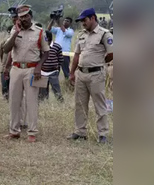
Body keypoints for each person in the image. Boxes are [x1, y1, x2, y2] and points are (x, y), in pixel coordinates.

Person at [3, 5, 50, 142]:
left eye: (26, 16)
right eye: (21, 16)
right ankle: (14, 131)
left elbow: (46, 52)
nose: (23, 19)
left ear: (31, 16)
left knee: (31, 102)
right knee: (14, 101)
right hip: (16, 68)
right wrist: (16, 33)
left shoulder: (39, 32)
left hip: (31, 69)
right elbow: (6, 49)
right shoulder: (14, 30)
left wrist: (38, 67)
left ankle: (32, 132)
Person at [67, 8, 113, 144]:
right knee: (80, 104)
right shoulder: (81, 35)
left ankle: (103, 134)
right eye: (81, 21)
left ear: (93, 18)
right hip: (81, 74)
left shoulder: (105, 34)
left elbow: (113, 52)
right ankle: (80, 131)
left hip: (96, 75)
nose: (83, 23)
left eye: (84, 20)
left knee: (99, 104)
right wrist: (72, 72)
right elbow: (76, 55)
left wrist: (100, 62)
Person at [39, 31, 64, 102]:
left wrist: (56, 68)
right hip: (42, 72)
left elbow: (61, 60)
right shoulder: (40, 47)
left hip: (53, 73)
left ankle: (61, 104)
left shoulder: (57, 46)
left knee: (57, 91)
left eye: (44, 37)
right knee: (42, 94)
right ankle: (44, 106)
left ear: (48, 38)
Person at [0, 7, 18, 100]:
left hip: (19, 67)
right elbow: (5, 51)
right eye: (12, 17)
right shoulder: (13, 30)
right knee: (6, 87)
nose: (14, 19)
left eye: (16, 16)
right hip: (8, 65)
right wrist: (5, 66)